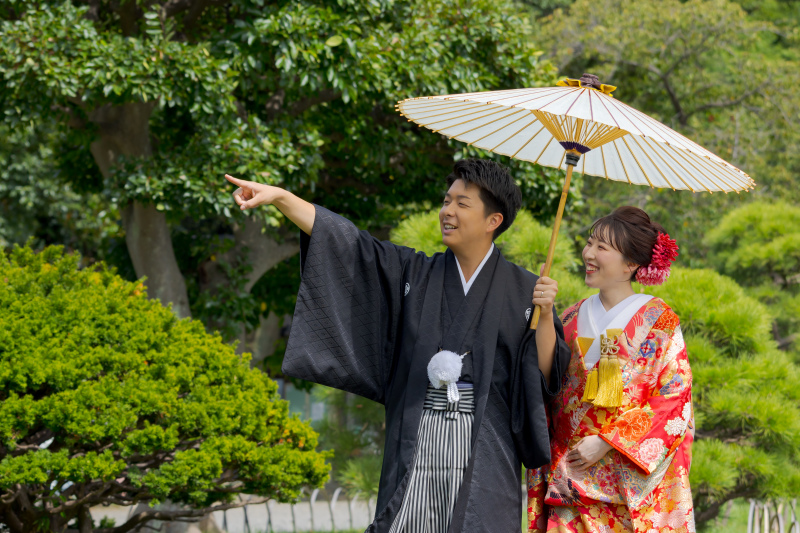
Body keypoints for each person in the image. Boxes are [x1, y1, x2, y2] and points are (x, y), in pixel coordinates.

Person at [225, 159, 571, 532]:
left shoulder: (526, 290)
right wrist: (282, 198)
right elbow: (351, 246)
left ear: (494, 221)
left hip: (484, 451)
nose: (447, 212)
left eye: (462, 203)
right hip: (416, 444)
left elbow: (546, 374)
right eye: (446, 201)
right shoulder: (414, 273)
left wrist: (547, 311)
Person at [526, 206, 694, 533]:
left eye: (601, 247)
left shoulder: (659, 320)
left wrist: (607, 441)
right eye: (590, 243)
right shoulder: (571, 317)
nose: (588, 253)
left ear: (631, 264)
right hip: (570, 478)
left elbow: (674, 400)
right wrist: (545, 315)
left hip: (630, 490)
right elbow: (547, 381)